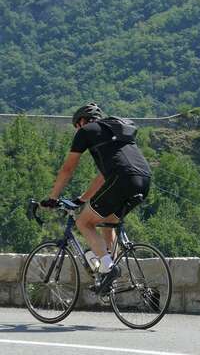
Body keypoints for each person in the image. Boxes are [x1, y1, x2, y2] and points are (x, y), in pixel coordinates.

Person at [41, 103, 151, 295]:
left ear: (81, 121)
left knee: (84, 222)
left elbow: (68, 169)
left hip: (121, 178)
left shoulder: (85, 131)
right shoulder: (113, 131)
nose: (78, 130)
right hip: (144, 179)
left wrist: (53, 197)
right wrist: (83, 199)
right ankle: (114, 277)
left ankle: (109, 269)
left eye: (77, 126)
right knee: (108, 221)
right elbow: (101, 178)